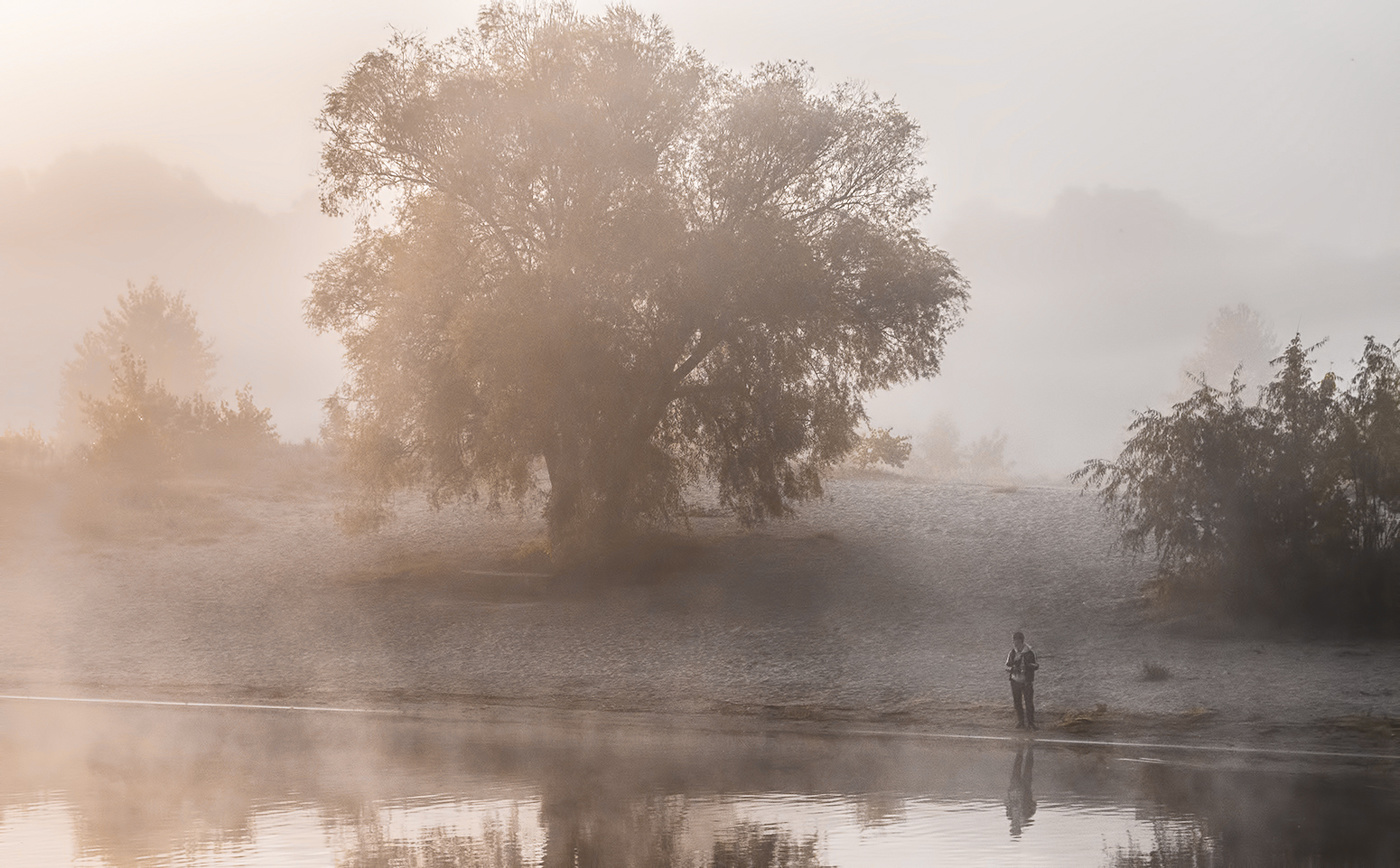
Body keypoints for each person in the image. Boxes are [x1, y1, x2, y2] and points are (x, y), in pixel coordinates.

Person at [1005, 630, 1038, 729]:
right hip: (1015, 681)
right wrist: (1013, 669)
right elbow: (1006, 666)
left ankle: (1031, 722)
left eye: (1017, 641)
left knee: (1029, 703)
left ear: (1022, 641)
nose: (1015, 643)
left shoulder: (1030, 653)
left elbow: (1036, 666)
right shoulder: (1012, 652)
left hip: (1027, 681)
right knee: (1017, 702)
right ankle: (1021, 721)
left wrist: (1028, 666)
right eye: (1014, 641)